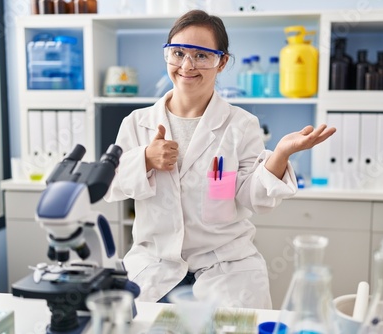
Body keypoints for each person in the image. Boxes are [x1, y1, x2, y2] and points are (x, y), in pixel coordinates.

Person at [104, 9, 336, 309]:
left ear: (222, 61)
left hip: (226, 268)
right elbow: (111, 186)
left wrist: (280, 154)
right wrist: (145, 160)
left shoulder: (242, 125)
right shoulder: (137, 123)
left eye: (202, 56)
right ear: (168, 55)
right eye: (178, 53)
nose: (187, 65)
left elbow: (255, 198)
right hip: (155, 266)